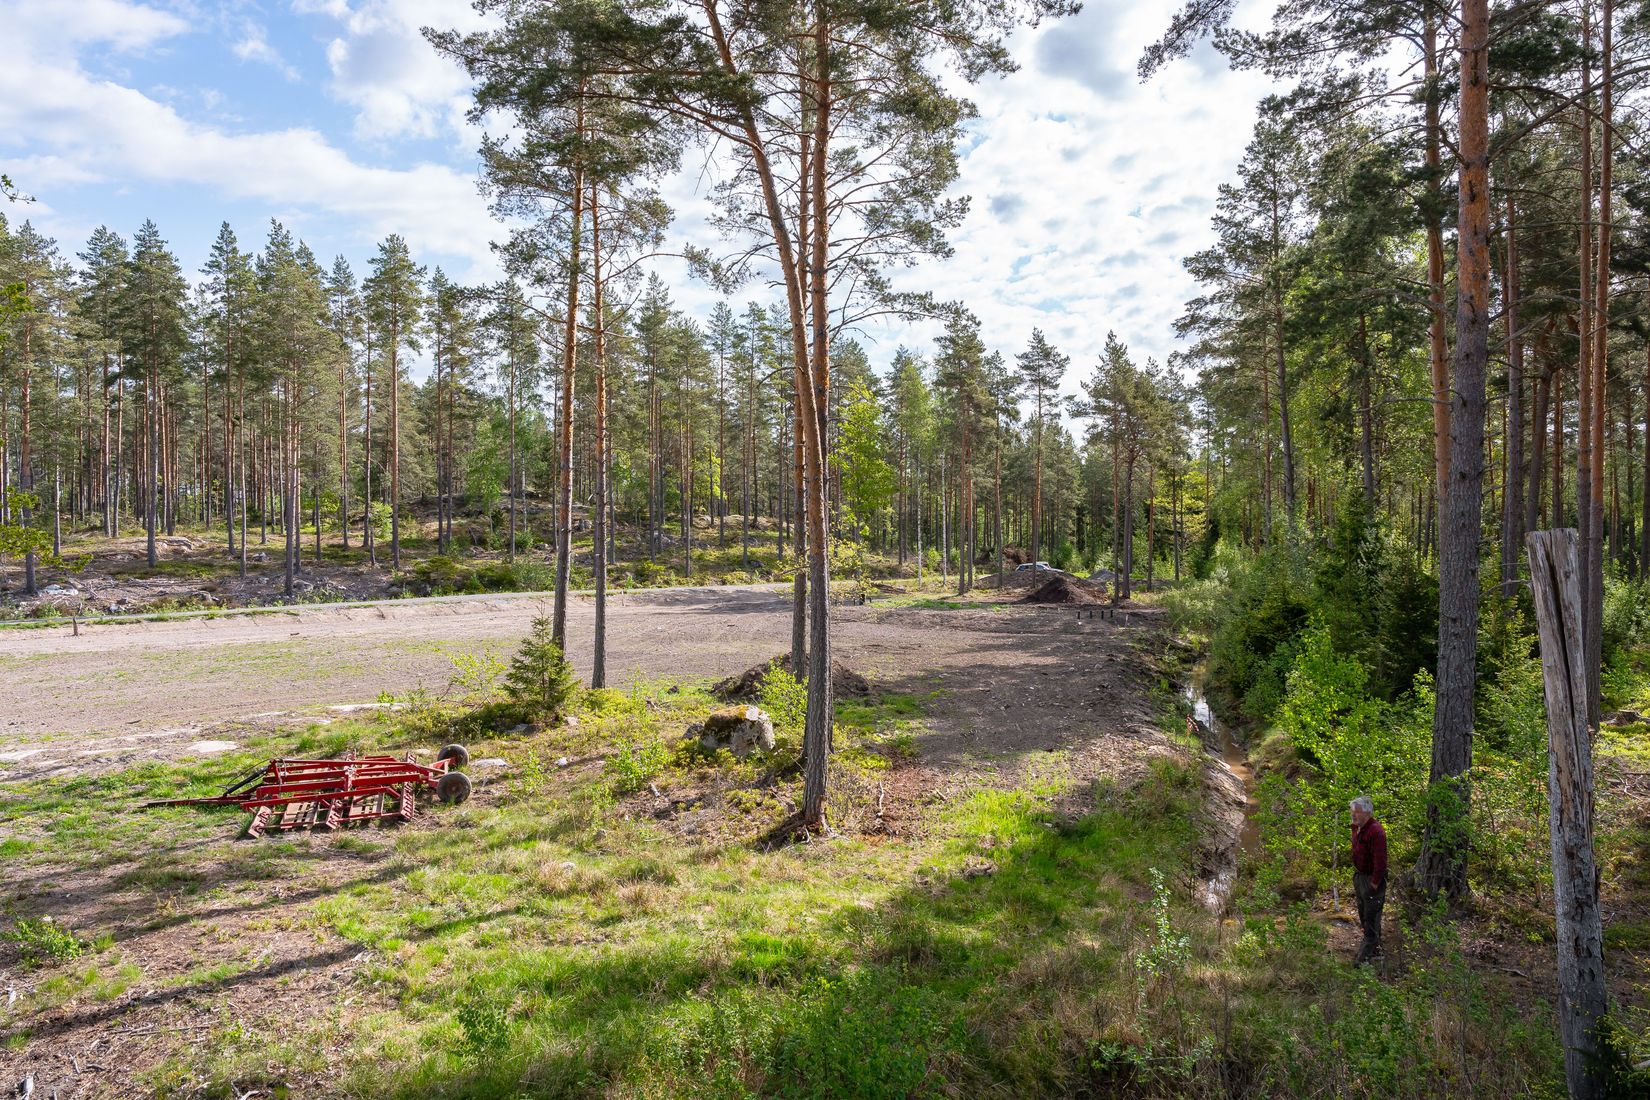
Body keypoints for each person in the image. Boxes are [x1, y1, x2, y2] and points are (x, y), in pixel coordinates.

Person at [1349, 795, 1387, 966]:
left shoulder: (1376, 831)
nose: (1353, 815)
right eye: (1352, 811)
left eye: (1357, 812)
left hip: (1372, 880)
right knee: (1364, 915)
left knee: (1371, 917)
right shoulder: (1358, 828)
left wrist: (1374, 883)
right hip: (1360, 877)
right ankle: (1376, 951)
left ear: (1367, 813)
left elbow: (1381, 861)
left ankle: (1363, 959)